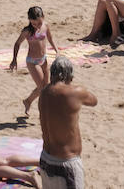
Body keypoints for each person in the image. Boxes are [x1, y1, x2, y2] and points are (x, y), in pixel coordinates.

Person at [37, 56, 96, 189]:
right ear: (69, 75)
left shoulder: (44, 92)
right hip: (65, 162)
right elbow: (93, 101)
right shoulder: (74, 92)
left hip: (46, 159)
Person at [11, 6, 60, 116]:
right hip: (32, 61)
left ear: (43, 17)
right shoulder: (27, 31)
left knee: (46, 87)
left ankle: (28, 101)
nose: (37, 26)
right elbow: (17, 43)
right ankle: (45, 112)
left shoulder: (45, 26)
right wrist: (14, 59)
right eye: (33, 24)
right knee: (44, 89)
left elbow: (50, 38)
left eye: (38, 23)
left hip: (44, 59)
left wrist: (56, 50)